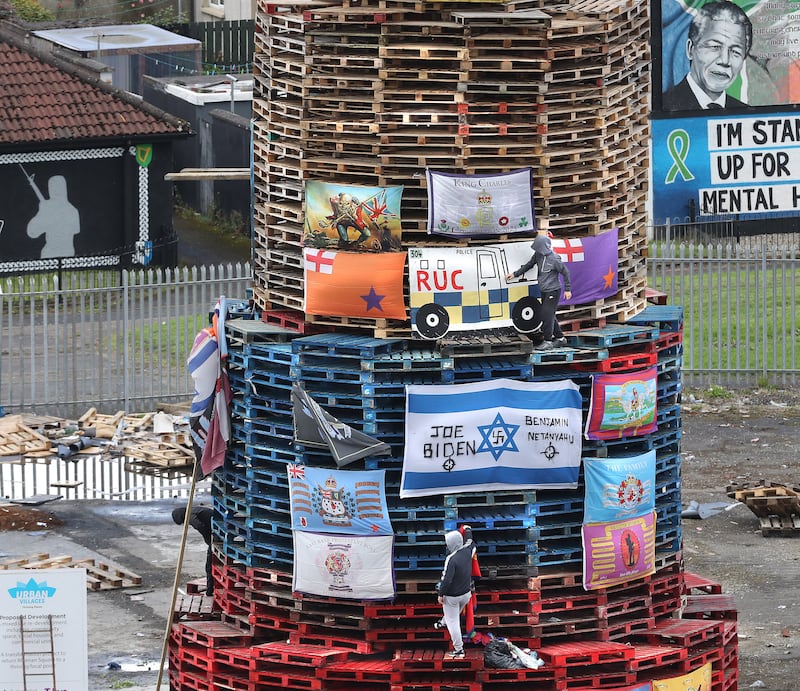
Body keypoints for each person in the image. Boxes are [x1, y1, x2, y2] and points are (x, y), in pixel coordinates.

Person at [662, 1, 752, 111]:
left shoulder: (745, 113)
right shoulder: (664, 107)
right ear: (690, 49)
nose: (724, 60)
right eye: (714, 47)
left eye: (735, 52)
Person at [506, 234, 571, 351]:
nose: (537, 250)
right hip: (544, 290)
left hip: (553, 290)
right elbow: (529, 265)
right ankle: (560, 338)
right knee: (549, 314)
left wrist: (567, 289)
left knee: (546, 314)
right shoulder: (538, 255)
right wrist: (515, 274)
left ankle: (548, 341)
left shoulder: (555, 259)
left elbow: (565, 272)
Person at [435, 530, 474, 659]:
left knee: (453, 622)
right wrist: (468, 530)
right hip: (466, 594)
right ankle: (442, 623)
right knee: (452, 614)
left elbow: (447, 580)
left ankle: (459, 650)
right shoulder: (468, 551)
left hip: (452, 596)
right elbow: (470, 541)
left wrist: (441, 594)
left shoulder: (451, 559)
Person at [172, 505, 214, 596]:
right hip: (216, 529)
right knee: (211, 564)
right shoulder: (193, 510)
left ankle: (210, 592)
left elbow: (201, 527)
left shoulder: (190, 516)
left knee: (209, 566)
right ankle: (211, 589)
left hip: (216, 534)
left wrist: (209, 542)